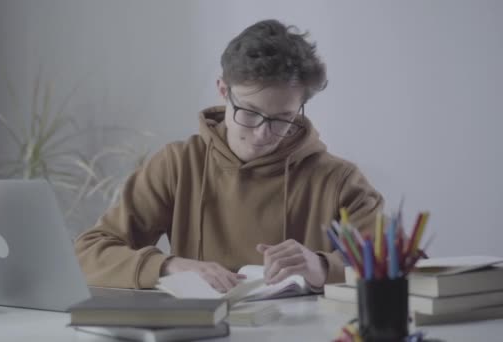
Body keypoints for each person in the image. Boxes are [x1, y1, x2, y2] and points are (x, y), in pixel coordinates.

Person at [75, 19, 383, 293]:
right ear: (224, 91)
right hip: (199, 331)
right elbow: (89, 253)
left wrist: (321, 267)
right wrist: (170, 267)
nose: (263, 134)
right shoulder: (177, 165)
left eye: (283, 118)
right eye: (250, 113)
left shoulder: (339, 180)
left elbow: (393, 267)